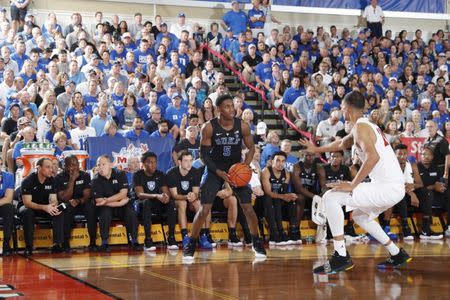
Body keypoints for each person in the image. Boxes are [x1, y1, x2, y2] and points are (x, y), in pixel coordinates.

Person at [300, 91, 411, 274]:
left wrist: (353, 185)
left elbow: (372, 157)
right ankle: (396, 253)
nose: (341, 110)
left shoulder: (361, 128)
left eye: (342, 107)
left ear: (347, 108)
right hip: (390, 187)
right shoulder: (363, 125)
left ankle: (340, 255)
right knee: (360, 216)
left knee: (331, 197)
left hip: (387, 187)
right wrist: (316, 148)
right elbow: (341, 144)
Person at [183, 94, 266, 260]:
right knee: (204, 209)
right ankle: (191, 243)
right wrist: (219, 172)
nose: (231, 109)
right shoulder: (209, 127)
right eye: (226, 106)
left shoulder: (242, 125)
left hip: (236, 169)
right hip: (214, 169)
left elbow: (251, 148)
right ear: (218, 109)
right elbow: (204, 156)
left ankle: (256, 242)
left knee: (248, 208)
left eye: (232, 106)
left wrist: (245, 165)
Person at [92, 155, 141, 252]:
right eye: (99, 165)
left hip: (120, 205)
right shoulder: (95, 180)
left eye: (103, 164)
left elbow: (123, 194)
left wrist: (107, 200)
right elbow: (99, 201)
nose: (101, 167)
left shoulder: (120, 174)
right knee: (104, 212)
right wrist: (117, 203)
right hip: (109, 206)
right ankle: (104, 243)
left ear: (110, 164)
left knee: (130, 211)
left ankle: (134, 241)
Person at [133, 151, 178, 251]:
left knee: (171, 203)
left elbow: (166, 192)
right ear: (144, 164)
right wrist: (156, 195)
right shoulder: (137, 175)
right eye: (150, 162)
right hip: (143, 204)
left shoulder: (160, 174)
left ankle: (171, 238)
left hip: (157, 202)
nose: (153, 165)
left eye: (155, 162)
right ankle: (148, 240)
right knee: (146, 203)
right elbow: (140, 195)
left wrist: (165, 197)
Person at [19, 157, 64, 256]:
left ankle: (57, 244)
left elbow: (53, 198)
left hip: (45, 207)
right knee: (28, 213)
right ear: (39, 168)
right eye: (47, 167)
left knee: (59, 211)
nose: (51, 170)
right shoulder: (28, 181)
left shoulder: (52, 180)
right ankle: (29, 246)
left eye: (51, 167)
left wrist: (53, 206)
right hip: (29, 207)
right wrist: (45, 207)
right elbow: (27, 203)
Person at [166, 150, 211, 248]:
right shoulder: (171, 173)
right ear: (179, 162)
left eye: (191, 160)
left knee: (199, 203)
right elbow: (174, 195)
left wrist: (193, 196)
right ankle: (185, 236)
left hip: (190, 199)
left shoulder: (195, 172)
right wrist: (187, 197)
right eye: (186, 161)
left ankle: (203, 236)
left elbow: (196, 192)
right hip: (177, 201)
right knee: (182, 203)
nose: (189, 163)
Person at [55, 155, 97, 252]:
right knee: (67, 209)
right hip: (68, 203)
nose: (74, 167)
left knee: (91, 208)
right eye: (71, 165)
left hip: (82, 201)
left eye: (76, 164)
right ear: (65, 166)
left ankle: (93, 242)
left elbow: (87, 195)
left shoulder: (85, 175)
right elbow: (64, 197)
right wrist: (72, 180)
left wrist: (79, 201)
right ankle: (65, 243)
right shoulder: (59, 178)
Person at [261, 151, 301, 245]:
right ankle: (275, 233)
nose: (280, 163)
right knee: (270, 199)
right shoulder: (266, 171)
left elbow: (284, 191)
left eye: (283, 161)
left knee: (292, 201)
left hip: (278, 199)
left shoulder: (286, 173)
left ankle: (293, 231)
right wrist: (283, 196)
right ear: (271, 161)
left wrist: (290, 195)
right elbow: (268, 192)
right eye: (278, 160)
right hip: (264, 201)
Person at [0, 169, 15, 256]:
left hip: (2, 204)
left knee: (9, 208)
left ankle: (6, 243)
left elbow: (8, 199)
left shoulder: (8, 176)